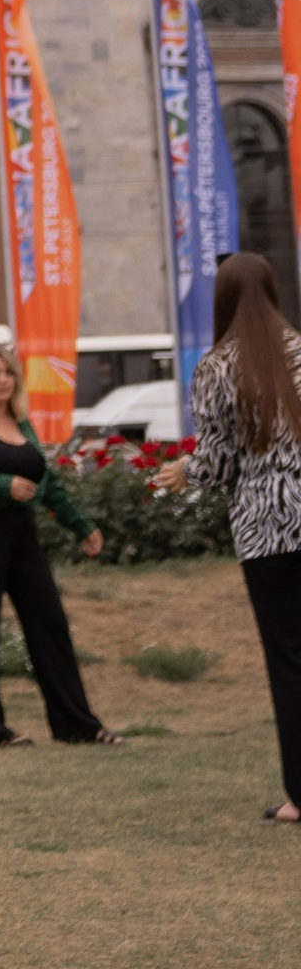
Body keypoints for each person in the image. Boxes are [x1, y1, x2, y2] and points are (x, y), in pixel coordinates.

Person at [160, 252, 301, 822]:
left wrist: (183, 472)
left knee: (289, 662)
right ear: (272, 292)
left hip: (267, 530)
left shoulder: (215, 367)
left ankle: (300, 795)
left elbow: (218, 462)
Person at [0, 344, 115, 748]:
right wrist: (3, 485)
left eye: (8, 372)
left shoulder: (24, 426)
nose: (2, 379)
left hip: (21, 533)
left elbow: (46, 485)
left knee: (50, 624)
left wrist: (82, 525)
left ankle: (77, 725)